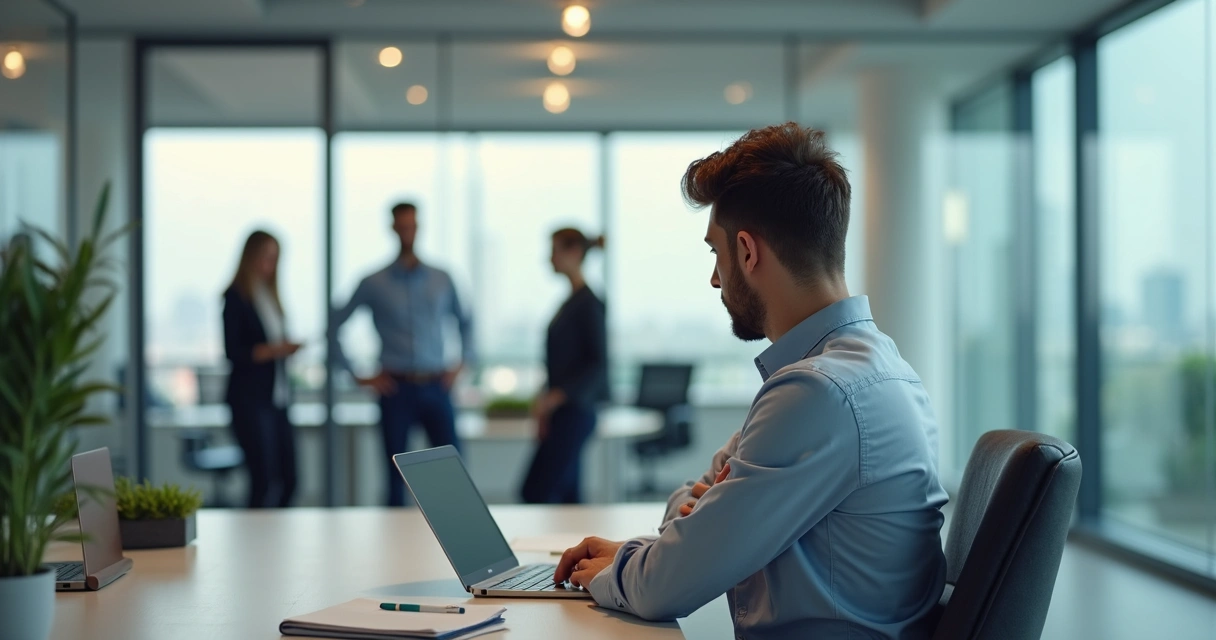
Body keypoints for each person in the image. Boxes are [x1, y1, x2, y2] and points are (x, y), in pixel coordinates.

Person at [553, 123, 949, 638]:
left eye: (715, 254)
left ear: (747, 251)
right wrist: (670, 544)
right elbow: (690, 525)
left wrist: (635, 564)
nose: (716, 278)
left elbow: (666, 586)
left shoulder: (817, 393)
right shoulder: (878, 366)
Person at [332, 202, 474, 507]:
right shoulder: (373, 282)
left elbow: (466, 323)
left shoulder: (442, 278)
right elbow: (334, 328)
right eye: (402, 226)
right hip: (396, 389)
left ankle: (465, 550)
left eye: (412, 225)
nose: (407, 231)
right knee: (395, 479)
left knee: (455, 476)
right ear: (393, 228)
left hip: (438, 386)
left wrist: (462, 363)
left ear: (418, 227)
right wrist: (357, 375)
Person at [520, 229, 609, 504]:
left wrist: (556, 396)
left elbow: (597, 363)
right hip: (562, 411)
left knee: (537, 490)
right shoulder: (571, 302)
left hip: (575, 411)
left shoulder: (588, 304)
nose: (549, 258)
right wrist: (545, 401)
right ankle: (574, 547)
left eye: (554, 250)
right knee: (568, 494)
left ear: (573, 253)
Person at [222, 230, 301, 508]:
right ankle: (256, 545)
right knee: (263, 479)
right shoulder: (236, 297)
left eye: (274, 258)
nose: (270, 264)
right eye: (266, 257)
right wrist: (277, 350)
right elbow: (234, 352)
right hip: (250, 401)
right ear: (251, 257)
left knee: (290, 479)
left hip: (277, 399)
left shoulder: (270, 297)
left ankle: (279, 541)